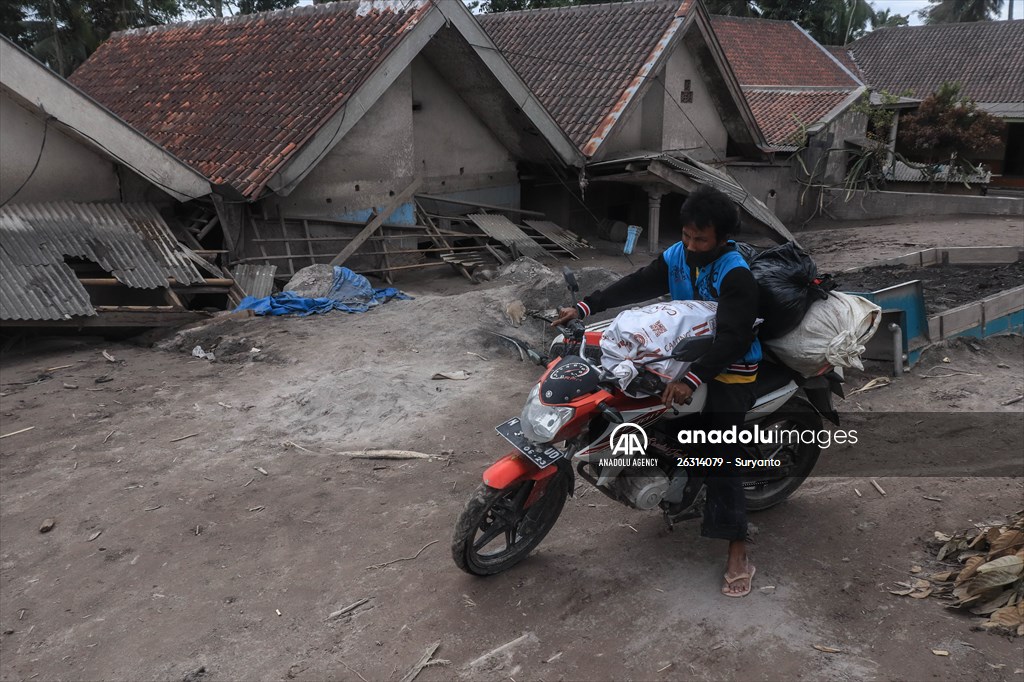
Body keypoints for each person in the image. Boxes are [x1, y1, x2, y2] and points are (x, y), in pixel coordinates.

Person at [551, 185, 761, 598]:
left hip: (728, 368)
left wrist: (693, 379)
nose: (691, 244)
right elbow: (639, 283)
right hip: (682, 356)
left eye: (701, 239)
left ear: (722, 238)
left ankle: (738, 551)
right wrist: (585, 308)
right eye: (686, 235)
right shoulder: (678, 256)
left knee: (722, 450)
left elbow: (734, 337)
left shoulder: (736, 274)